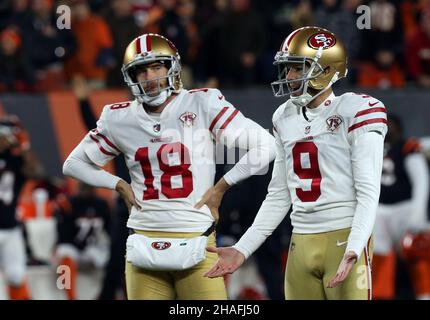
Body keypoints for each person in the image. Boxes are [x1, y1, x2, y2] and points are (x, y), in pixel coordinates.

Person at [62, 33, 276, 300]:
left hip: (197, 240)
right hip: (143, 242)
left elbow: (267, 145)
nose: (149, 77)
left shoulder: (202, 102)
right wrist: (117, 184)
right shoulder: (119, 117)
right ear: (130, 76)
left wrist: (222, 186)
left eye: (156, 67)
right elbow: (73, 164)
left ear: (171, 67)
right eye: (140, 71)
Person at [204, 26, 388, 300]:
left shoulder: (356, 110)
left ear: (326, 69)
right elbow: (279, 195)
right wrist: (243, 248)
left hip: (345, 236)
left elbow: (368, 190)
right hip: (300, 241)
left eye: (298, 68)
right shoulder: (284, 116)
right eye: (287, 68)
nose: (289, 77)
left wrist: (356, 245)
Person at [372, 114, 430, 300]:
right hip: (379, 209)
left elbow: (421, 180)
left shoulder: (407, 147)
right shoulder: (370, 146)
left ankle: (425, 295)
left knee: (417, 253)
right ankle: (382, 295)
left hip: (405, 208)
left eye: (391, 124)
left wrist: (418, 211)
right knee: (379, 257)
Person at [0, 115, 44, 300]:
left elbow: (36, 173)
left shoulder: (15, 160)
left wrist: (24, 147)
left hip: (10, 227)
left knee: (16, 276)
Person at [54, 182, 111, 300]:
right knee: (65, 256)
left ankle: (111, 294)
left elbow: (111, 229)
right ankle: (70, 297)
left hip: (92, 248)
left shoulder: (101, 204)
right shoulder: (69, 203)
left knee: (119, 257)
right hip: (72, 247)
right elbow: (62, 235)